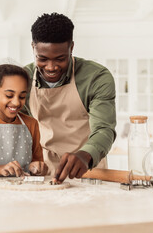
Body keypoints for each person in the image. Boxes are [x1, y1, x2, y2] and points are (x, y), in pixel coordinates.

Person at [22, 13, 116, 183]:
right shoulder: (23, 78)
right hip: (44, 172)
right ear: (33, 48)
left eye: (60, 59)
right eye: (42, 59)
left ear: (71, 47)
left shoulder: (96, 77)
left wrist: (85, 155)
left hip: (88, 169)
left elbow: (104, 129)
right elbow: (17, 128)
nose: (51, 67)